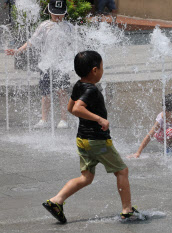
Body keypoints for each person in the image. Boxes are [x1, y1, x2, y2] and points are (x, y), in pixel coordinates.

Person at [42, 50, 138, 223]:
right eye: (102, 67)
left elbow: (70, 108)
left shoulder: (78, 85)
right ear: (95, 70)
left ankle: (56, 201)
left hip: (82, 140)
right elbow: (78, 108)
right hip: (97, 141)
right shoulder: (91, 90)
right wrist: (99, 119)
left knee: (86, 177)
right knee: (122, 171)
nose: (102, 71)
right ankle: (127, 210)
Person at [5, 0, 73, 129]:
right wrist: (18, 50)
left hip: (62, 65)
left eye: (60, 14)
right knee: (45, 93)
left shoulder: (69, 27)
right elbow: (32, 41)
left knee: (62, 91)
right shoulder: (44, 26)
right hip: (46, 64)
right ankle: (44, 119)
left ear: (65, 13)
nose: (57, 16)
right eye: (54, 14)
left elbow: (74, 44)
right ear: (49, 12)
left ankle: (63, 119)